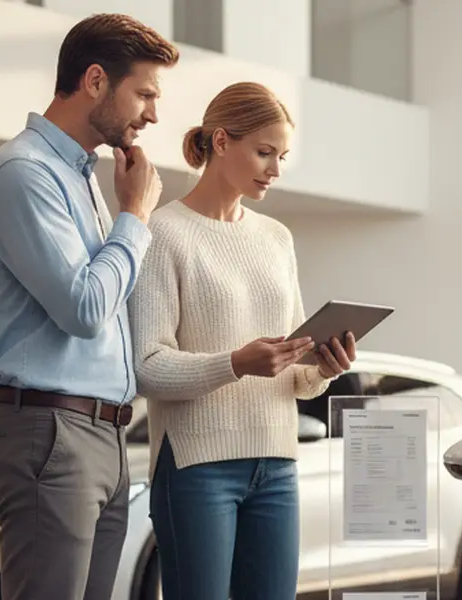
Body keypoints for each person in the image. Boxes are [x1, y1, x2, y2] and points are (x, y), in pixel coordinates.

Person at [0, 13, 178, 600]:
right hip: (50, 431)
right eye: (145, 94)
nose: (153, 114)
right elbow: (84, 307)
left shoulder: (80, 177)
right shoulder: (22, 171)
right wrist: (134, 216)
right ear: (94, 81)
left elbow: (110, 307)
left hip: (103, 434)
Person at [129, 81, 357, 600]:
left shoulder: (277, 238)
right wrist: (234, 363)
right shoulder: (163, 233)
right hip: (194, 468)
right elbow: (147, 366)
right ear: (223, 141)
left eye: (282, 155)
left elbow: (298, 381)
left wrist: (324, 366)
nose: (275, 169)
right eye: (264, 152)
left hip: (277, 464)